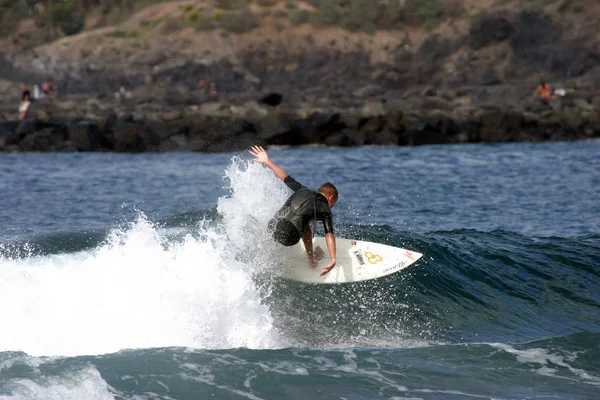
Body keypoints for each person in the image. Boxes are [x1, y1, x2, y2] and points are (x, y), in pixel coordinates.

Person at [249, 145, 338, 276]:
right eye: (333, 203)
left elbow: (284, 176)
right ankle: (311, 259)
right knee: (305, 226)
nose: (332, 206)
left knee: (298, 218)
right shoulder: (325, 208)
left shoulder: (302, 190)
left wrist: (267, 162)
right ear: (330, 198)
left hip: (272, 228)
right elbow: (329, 234)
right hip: (289, 238)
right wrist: (333, 259)